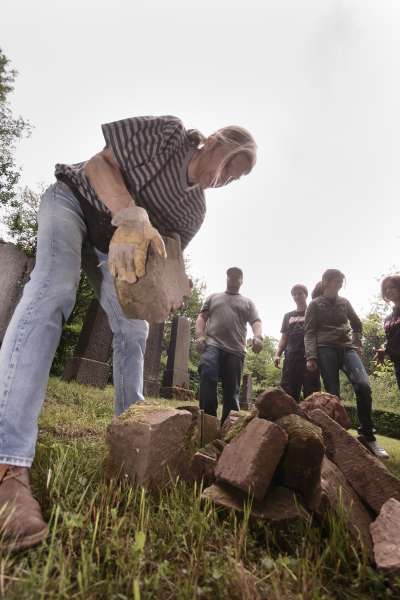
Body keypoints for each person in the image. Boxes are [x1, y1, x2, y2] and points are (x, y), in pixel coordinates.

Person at [0, 115, 257, 550]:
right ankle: (7, 464)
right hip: (73, 201)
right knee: (53, 288)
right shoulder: (169, 135)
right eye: (232, 166)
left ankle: (135, 437)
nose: (228, 179)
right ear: (214, 141)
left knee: (134, 330)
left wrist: (171, 286)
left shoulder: (194, 211)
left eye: (238, 179)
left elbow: (163, 259)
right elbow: (99, 166)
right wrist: (131, 213)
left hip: (112, 247)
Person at [304, 269, 389, 459]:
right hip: (325, 348)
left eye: (341, 281)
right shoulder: (315, 305)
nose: (339, 284)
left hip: (346, 347)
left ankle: (368, 435)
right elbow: (309, 332)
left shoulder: (344, 302)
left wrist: (357, 342)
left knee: (363, 385)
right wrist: (311, 356)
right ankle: (337, 439)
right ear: (326, 282)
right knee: (333, 395)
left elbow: (357, 324)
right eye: (335, 281)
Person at [195, 267, 263, 424]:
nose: (234, 279)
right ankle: (208, 420)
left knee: (232, 390)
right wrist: (199, 335)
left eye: (237, 277)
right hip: (212, 344)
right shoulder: (213, 297)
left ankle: (228, 426)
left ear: (242, 281)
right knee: (207, 371)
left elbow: (256, 322)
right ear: (226, 278)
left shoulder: (248, 303)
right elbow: (202, 317)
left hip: (236, 350)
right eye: (231, 276)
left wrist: (258, 337)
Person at [274, 284, 320, 402]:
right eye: (294, 294)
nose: (297, 296)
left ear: (306, 295)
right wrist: (277, 354)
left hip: (310, 357)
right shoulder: (288, 316)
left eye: (300, 293)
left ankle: (311, 419)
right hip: (291, 358)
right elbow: (284, 337)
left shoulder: (314, 312)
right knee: (288, 392)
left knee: (311, 393)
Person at [376, 275, 400, 391]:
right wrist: (384, 348)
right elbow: (393, 338)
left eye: (392, 287)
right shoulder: (388, 319)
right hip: (397, 361)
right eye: (385, 289)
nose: (388, 290)